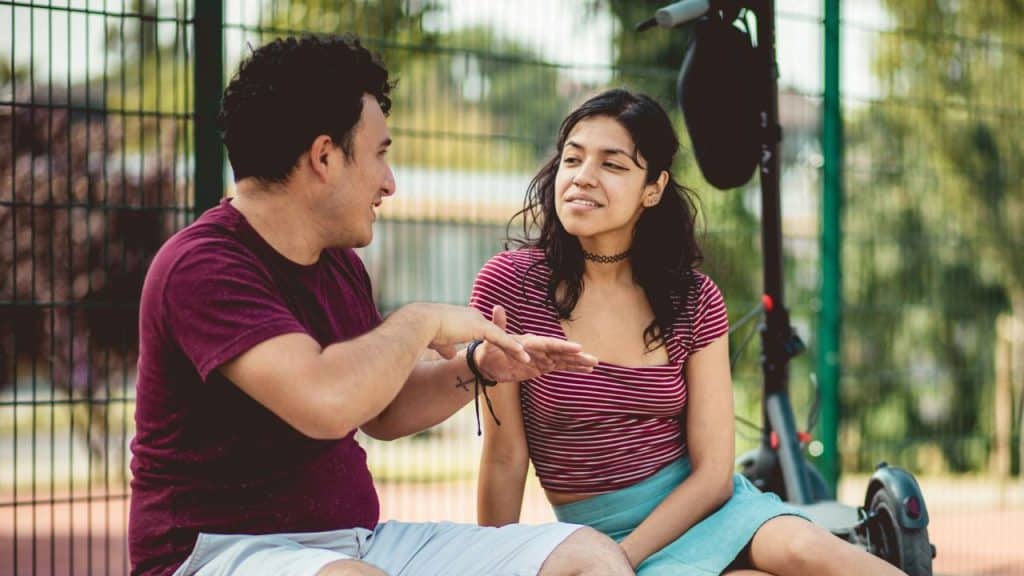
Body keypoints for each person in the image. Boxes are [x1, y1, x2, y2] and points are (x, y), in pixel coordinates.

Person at [129, 35, 637, 576]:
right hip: (217, 553)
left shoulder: (338, 262)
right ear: (324, 156)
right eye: (379, 155)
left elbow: (384, 410)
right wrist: (421, 321)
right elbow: (324, 400)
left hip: (354, 544)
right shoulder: (204, 265)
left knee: (587, 556)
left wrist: (479, 369)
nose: (389, 183)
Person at [472, 88, 905, 576]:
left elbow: (715, 474)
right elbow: (505, 457)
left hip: (708, 509)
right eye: (572, 159)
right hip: (595, 533)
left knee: (812, 552)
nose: (582, 177)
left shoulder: (693, 298)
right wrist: (499, 566)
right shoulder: (509, 286)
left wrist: (621, 561)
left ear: (653, 189)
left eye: (612, 165)